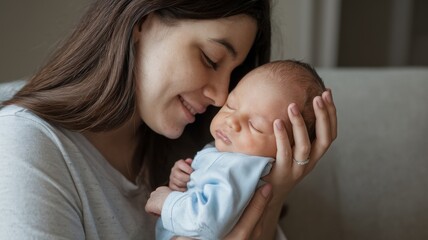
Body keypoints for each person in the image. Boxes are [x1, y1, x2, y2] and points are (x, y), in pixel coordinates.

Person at [0, 0, 337, 239]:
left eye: (234, 78)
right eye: (210, 58)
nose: (221, 98)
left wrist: (271, 189)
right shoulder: (27, 146)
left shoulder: (206, 153)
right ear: (142, 21)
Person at [145, 60, 326, 239]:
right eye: (231, 106)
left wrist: (167, 201)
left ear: (286, 150)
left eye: (255, 126)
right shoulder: (228, 153)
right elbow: (207, 198)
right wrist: (182, 185)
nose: (232, 120)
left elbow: (205, 222)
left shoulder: (237, 168)